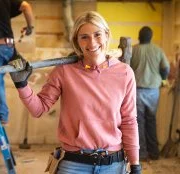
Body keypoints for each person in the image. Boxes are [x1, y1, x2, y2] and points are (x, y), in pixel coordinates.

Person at [10, 11, 141, 174]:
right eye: (84, 37)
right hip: (74, 164)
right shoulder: (64, 71)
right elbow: (39, 109)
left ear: (107, 35)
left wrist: (135, 164)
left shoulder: (124, 73)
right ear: (77, 42)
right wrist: (21, 84)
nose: (92, 42)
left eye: (97, 34)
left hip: (113, 164)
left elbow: (129, 121)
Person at [130, 26, 170, 161]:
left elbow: (126, 69)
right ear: (151, 37)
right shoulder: (158, 50)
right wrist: (163, 79)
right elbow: (165, 68)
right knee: (151, 120)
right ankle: (154, 153)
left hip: (137, 90)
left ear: (139, 36)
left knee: (139, 122)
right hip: (153, 91)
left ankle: (142, 154)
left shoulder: (133, 50)